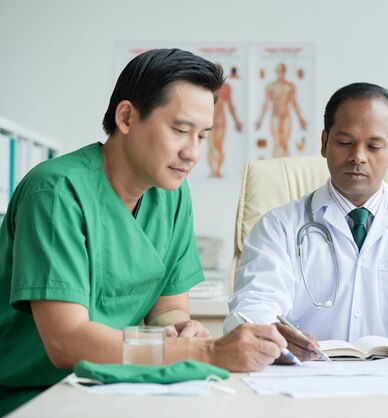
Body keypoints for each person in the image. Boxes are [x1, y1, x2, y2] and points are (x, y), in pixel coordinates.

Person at [0, 48, 286, 415]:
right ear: (126, 117)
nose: (193, 152)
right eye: (181, 130)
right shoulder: (56, 192)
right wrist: (205, 351)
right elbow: (66, 342)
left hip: (118, 386)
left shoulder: (172, 194)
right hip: (35, 395)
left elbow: (167, 306)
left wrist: (181, 329)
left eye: (202, 136)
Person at [227, 82, 388, 363]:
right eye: (345, 143)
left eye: (374, 146)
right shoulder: (278, 226)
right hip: (308, 380)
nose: (358, 157)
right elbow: (253, 303)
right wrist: (271, 334)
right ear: (324, 143)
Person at [255, 63, 307, 157]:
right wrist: (260, 120)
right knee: (276, 143)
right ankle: (275, 169)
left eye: (282, 71)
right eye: (279, 71)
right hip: (275, 116)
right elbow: (265, 105)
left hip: (286, 116)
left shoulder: (290, 86)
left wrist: (301, 120)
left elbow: (294, 104)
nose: (280, 73)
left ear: (285, 71)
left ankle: (285, 170)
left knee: (285, 143)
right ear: (276, 72)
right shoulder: (271, 86)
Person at [207, 81, 243, 178]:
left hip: (219, 120)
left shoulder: (225, 87)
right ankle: (213, 171)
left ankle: (217, 171)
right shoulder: (206, 85)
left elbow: (230, 105)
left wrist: (236, 121)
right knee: (211, 146)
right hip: (209, 119)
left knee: (218, 146)